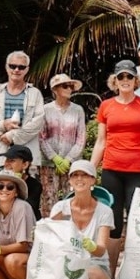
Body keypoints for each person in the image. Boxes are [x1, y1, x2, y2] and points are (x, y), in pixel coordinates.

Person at [92, 60, 140, 237]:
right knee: (112, 224)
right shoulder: (106, 106)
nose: (125, 80)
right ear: (114, 81)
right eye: (121, 76)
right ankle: (110, 264)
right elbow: (101, 141)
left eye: (129, 76)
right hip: (111, 170)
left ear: (135, 80)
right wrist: (90, 170)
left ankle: (135, 264)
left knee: (137, 222)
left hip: (137, 172)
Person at [48, 160, 114, 279]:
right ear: (70, 180)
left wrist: (91, 246)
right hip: (66, 262)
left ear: (93, 180)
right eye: (75, 175)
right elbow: (52, 241)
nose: (79, 179)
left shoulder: (104, 211)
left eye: (85, 175)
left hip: (95, 263)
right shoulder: (60, 208)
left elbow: (101, 249)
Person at [37, 74, 87, 205]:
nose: (69, 89)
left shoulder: (78, 110)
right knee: (48, 200)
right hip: (48, 163)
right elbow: (41, 137)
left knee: (71, 199)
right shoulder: (45, 110)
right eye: (65, 86)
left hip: (71, 163)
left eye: (70, 86)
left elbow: (81, 138)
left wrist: (68, 159)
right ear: (55, 90)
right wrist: (54, 157)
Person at [0, 51, 46, 169]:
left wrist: (13, 136)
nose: (16, 70)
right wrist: (3, 126)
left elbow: (38, 123)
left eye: (21, 67)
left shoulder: (35, 93)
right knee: (5, 187)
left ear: (27, 69)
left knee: (29, 187)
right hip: (3, 155)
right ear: (6, 67)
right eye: (13, 66)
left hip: (28, 157)